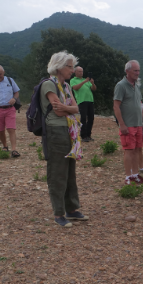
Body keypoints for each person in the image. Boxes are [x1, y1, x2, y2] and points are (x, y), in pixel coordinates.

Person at [39, 51, 88, 227]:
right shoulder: (48, 85)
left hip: (69, 131)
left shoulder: (66, 87)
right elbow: (59, 111)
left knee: (70, 173)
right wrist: (70, 108)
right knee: (58, 173)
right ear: (59, 67)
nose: (72, 70)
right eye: (70, 67)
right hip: (56, 131)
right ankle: (59, 213)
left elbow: (76, 108)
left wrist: (67, 107)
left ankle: (72, 210)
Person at [114, 60, 143, 185]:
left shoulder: (136, 86)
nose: (137, 73)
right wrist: (122, 124)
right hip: (127, 124)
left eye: (138, 70)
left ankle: (135, 174)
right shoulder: (121, 85)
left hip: (138, 124)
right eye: (135, 70)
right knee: (128, 150)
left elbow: (139, 105)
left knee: (137, 149)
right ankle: (128, 176)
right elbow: (116, 106)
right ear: (127, 71)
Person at [70, 66, 96, 142]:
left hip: (90, 101)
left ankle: (88, 135)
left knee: (91, 118)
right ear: (75, 72)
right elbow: (75, 88)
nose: (81, 73)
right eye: (80, 71)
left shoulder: (86, 80)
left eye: (82, 71)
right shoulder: (73, 80)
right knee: (83, 118)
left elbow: (93, 89)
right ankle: (83, 135)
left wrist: (93, 83)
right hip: (82, 101)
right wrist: (84, 82)